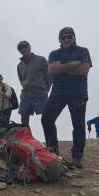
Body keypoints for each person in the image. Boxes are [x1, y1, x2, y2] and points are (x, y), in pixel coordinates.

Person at [41, 27, 93, 168]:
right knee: (46, 119)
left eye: (68, 37)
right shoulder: (54, 53)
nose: (66, 40)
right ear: (59, 39)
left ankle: (77, 157)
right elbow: (52, 70)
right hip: (58, 92)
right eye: (63, 37)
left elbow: (83, 70)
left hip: (78, 93)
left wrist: (61, 68)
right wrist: (73, 64)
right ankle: (53, 151)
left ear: (74, 37)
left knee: (78, 125)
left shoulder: (83, 51)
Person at [16, 40, 51, 128]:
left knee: (47, 117)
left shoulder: (41, 60)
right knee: (24, 118)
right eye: (20, 48)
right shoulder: (19, 65)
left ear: (29, 47)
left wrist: (46, 90)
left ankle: (51, 140)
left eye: (25, 47)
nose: (23, 49)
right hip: (26, 94)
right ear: (19, 51)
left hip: (41, 93)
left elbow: (49, 77)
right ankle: (29, 140)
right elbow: (21, 80)